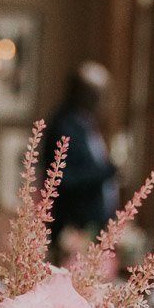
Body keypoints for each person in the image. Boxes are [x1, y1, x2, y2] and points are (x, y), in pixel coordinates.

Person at [41, 62, 118, 235]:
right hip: (73, 227)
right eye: (99, 94)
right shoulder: (65, 126)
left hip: (93, 227)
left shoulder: (86, 126)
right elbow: (63, 178)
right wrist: (108, 171)